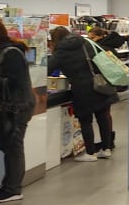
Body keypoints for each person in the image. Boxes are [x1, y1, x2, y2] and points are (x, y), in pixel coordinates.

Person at [0, 19, 36, 203]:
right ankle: (7, 186)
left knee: (13, 147)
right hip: (8, 105)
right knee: (9, 146)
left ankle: (13, 189)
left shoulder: (11, 53)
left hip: (17, 106)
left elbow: (15, 82)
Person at [48, 26, 115, 161]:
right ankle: (106, 149)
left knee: (85, 120)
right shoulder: (85, 42)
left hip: (81, 89)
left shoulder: (61, 51)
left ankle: (90, 153)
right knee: (103, 117)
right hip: (99, 84)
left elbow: (48, 68)